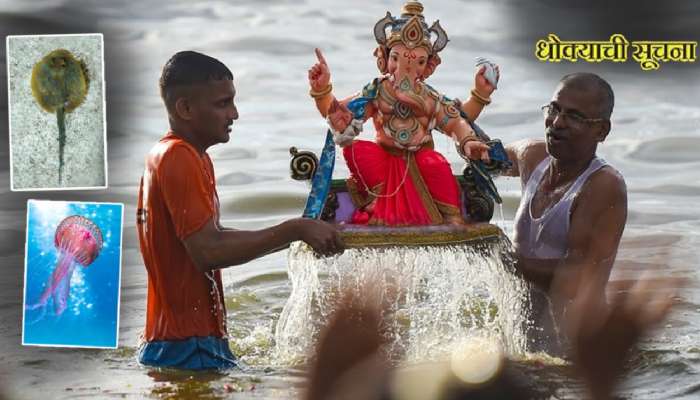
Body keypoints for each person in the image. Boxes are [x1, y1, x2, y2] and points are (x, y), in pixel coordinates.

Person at [135, 51, 343, 370]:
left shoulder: (185, 155)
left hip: (182, 345)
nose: (234, 114)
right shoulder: (178, 158)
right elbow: (208, 251)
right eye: (222, 103)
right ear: (185, 108)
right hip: (188, 349)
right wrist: (295, 230)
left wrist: (299, 230)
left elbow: (208, 238)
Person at [307, 1, 493, 226]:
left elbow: (455, 122)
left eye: (419, 62)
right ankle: (377, 201)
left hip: (420, 161)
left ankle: (453, 218)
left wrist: (468, 140)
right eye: (397, 59)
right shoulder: (377, 91)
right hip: (384, 160)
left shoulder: (429, 97)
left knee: (435, 164)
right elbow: (339, 116)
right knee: (356, 150)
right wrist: (322, 91)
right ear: (384, 59)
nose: (405, 69)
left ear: (428, 67)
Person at [501, 72, 627, 351]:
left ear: (601, 131)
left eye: (574, 117)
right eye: (554, 109)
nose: (557, 123)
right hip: (526, 337)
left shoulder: (603, 186)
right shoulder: (532, 156)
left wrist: (502, 258)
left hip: (578, 349)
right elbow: (485, 157)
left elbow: (577, 278)